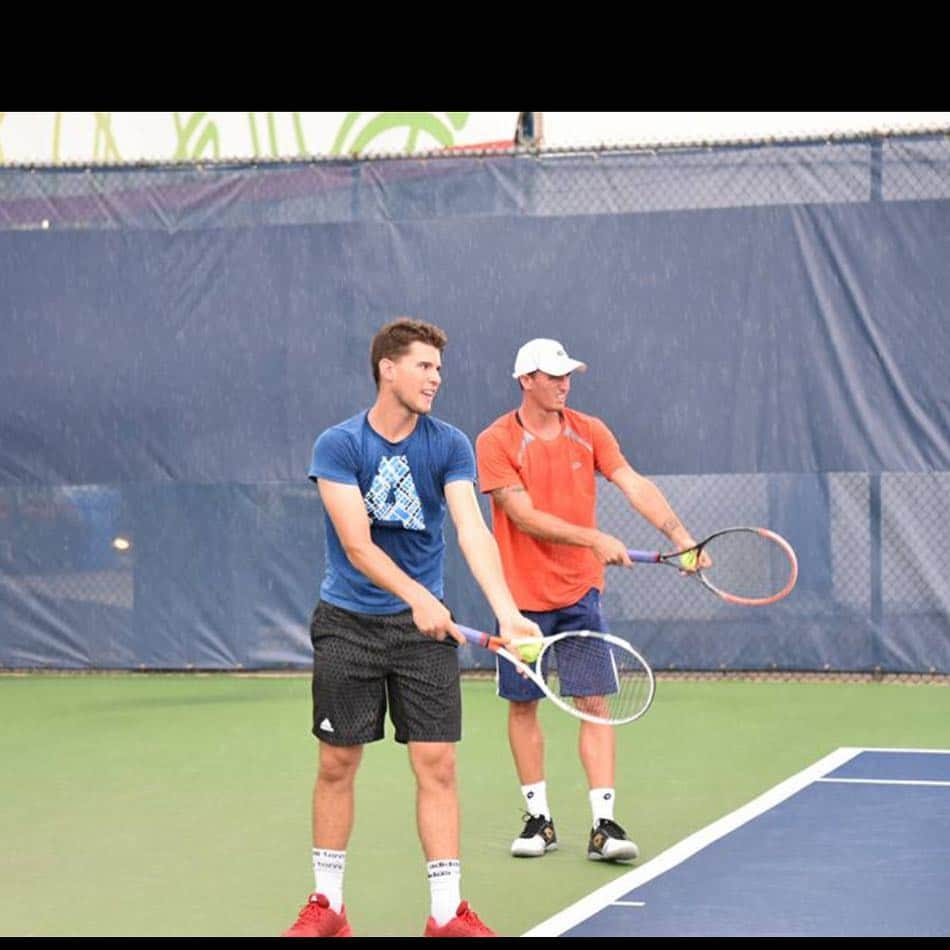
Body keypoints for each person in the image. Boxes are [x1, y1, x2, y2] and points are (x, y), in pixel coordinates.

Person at [282, 318, 543, 939]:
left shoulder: (449, 444)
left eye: (439, 369)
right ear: (387, 368)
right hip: (348, 624)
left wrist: (506, 609)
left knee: (437, 763)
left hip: (425, 636)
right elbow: (357, 544)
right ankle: (328, 907)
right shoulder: (339, 445)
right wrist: (420, 597)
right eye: (424, 367)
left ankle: (448, 914)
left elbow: (472, 529)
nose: (436, 379)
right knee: (338, 762)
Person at [474, 338, 707, 864]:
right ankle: (540, 820)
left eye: (568, 374)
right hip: (521, 603)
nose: (564, 383)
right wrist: (595, 539)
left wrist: (681, 537)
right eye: (553, 375)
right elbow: (523, 515)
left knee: (594, 705)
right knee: (523, 704)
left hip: (580, 593)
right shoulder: (495, 441)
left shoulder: (590, 430)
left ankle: (604, 826)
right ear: (525, 380)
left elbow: (633, 482)